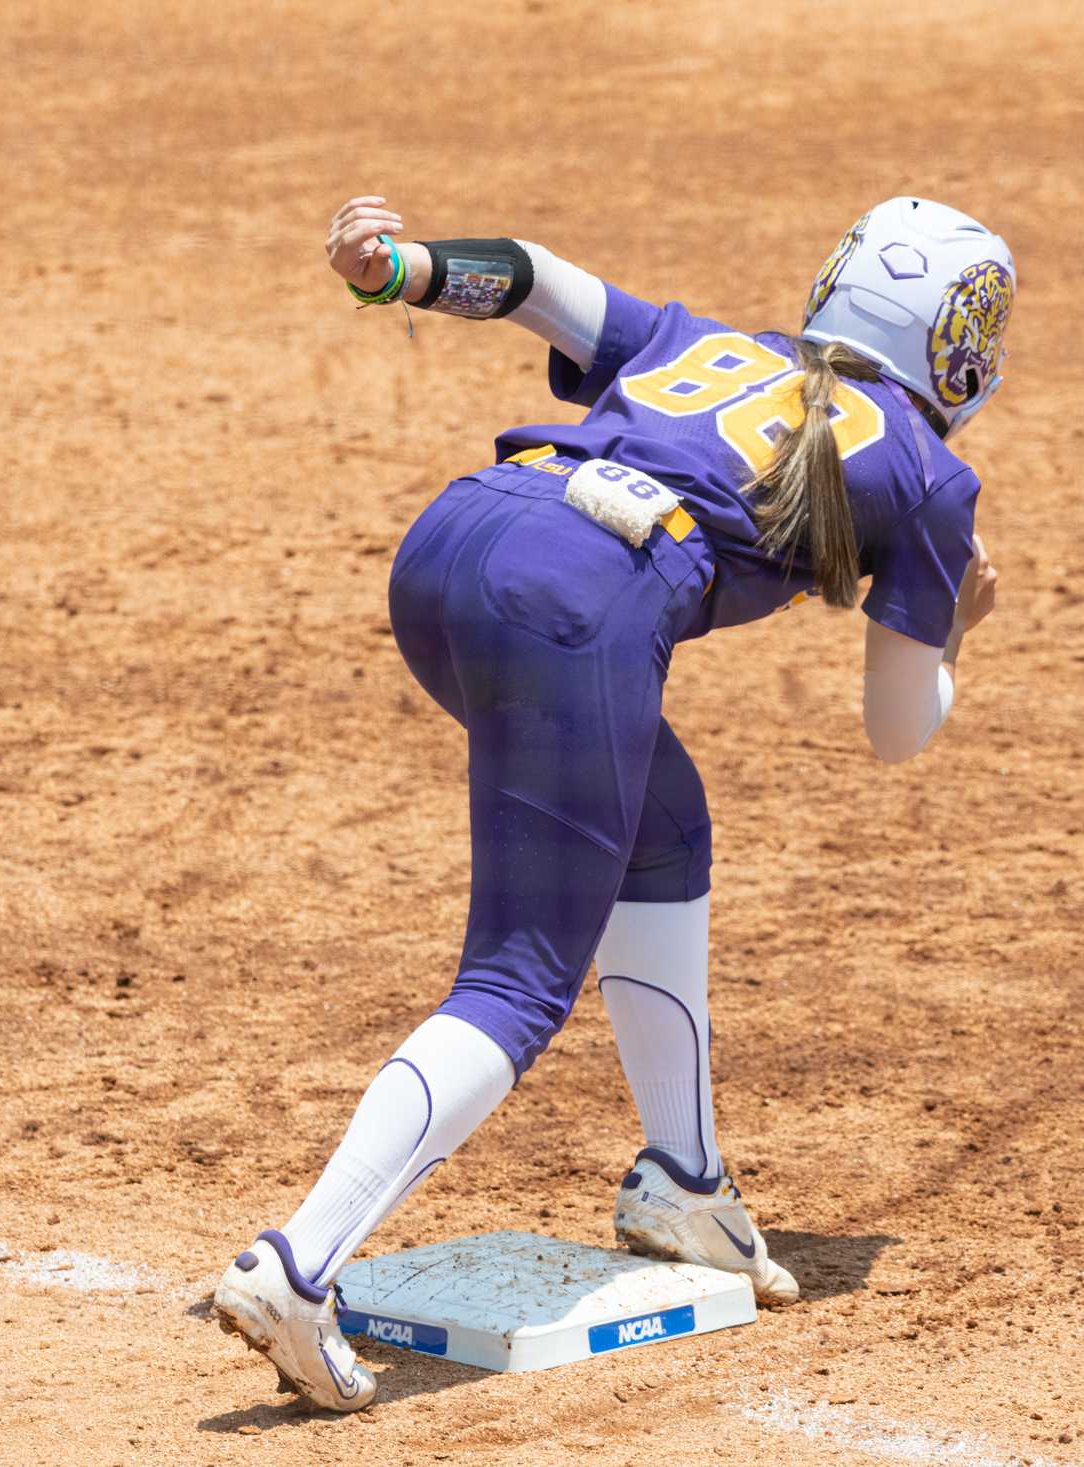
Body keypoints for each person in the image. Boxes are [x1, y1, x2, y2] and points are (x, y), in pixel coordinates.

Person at [213, 195, 1012, 1411]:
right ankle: (298, 1266)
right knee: (517, 982)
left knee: (664, 826)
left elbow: (533, 277)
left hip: (455, 544)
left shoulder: (716, 346)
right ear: (962, 344)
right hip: (574, 601)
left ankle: (685, 1184)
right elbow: (900, 731)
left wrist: (407, 268)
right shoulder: (925, 468)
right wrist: (953, 624)